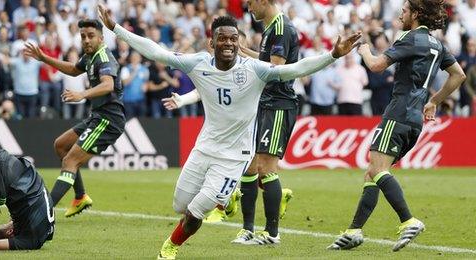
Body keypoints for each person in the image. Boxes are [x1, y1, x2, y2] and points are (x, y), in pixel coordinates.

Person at [98, 5, 360, 259]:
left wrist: (332, 55)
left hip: (235, 155)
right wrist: (116, 29)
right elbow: (157, 52)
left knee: (198, 210)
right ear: (211, 43)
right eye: (222, 38)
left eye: (233, 39)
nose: (228, 43)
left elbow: (293, 69)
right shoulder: (199, 63)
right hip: (204, 148)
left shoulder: (254, 70)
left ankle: (170, 247)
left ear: (238, 42)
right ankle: (227, 197)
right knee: (180, 205)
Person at [327, 0, 466, 252]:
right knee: (373, 172)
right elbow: (459, 74)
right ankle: (354, 231)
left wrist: (364, 49)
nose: (401, 13)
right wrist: (434, 101)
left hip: (398, 114)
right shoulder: (437, 44)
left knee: (378, 170)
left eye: (404, 10)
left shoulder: (412, 39)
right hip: (414, 120)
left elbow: (377, 66)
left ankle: (409, 220)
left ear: (417, 13)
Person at [205, 0, 299, 244]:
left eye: (250, 2)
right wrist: (243, 53)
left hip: (278, 105)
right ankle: (247, 229)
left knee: (267, 168)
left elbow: (275, 69)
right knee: (250, 165)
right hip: (264, 104)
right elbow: (266, 60)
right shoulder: (270, 28)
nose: (248, 7)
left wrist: (245, 66)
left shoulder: (281, 29)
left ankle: (271, 234)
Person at [23, 19, 125, 217]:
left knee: (70, 161)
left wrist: (82, 94)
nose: (86, 40)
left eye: (90, 36)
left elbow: (107, 85)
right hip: (97, 116)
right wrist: (45, 58)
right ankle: (80, 197)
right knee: (60, 145)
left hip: (108, 120)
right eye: (83, 36)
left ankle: (42, 212)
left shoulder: (103, 57)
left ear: (101, 38)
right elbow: (73, 69)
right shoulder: (89, 57)